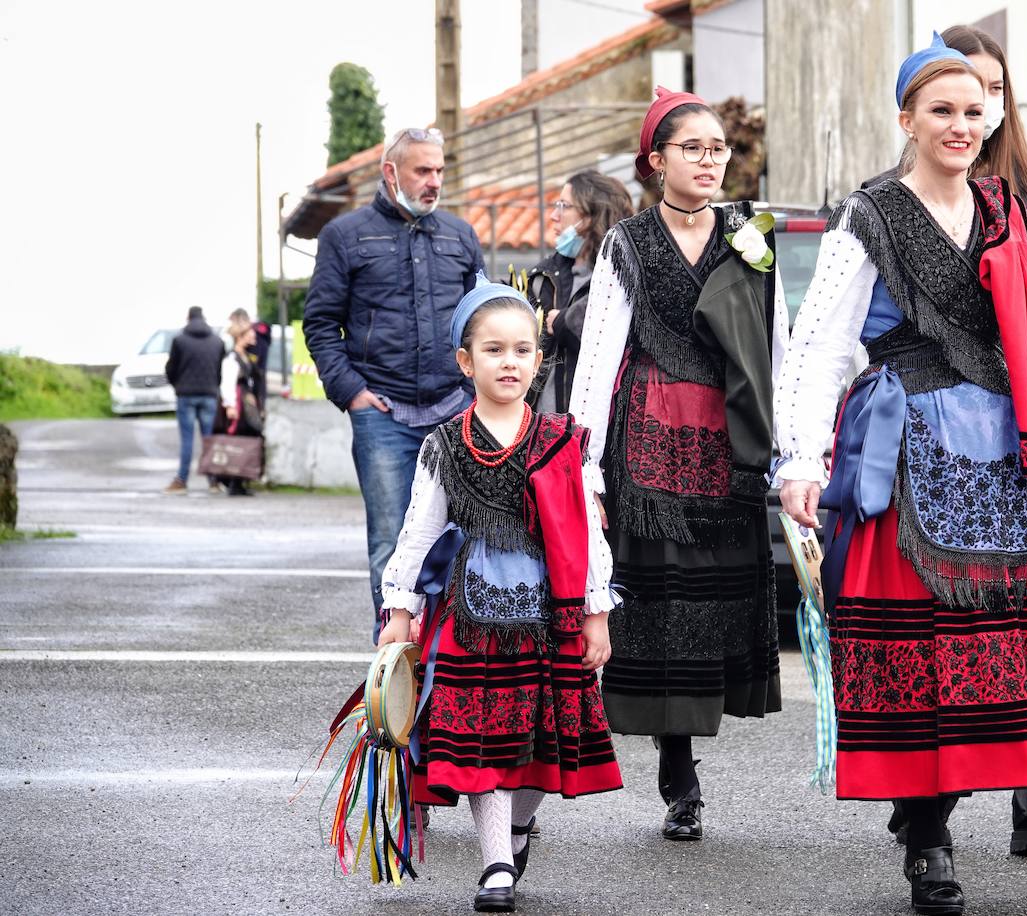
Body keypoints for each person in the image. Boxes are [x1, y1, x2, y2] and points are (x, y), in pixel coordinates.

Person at [775, 35, 1027, 914]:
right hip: (905, 451)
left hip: (1002, 455)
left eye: (974, 111)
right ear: (907, 120)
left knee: (990, 662)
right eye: (942, 112)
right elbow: (821, 345)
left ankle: (937, 804)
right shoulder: (872, 215)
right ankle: (927, 839)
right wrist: (802, 459)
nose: (961, 126)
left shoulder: (1006, 209)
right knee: (914, 659)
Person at [569, 87, 789, 841]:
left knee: (714, 603)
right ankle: (679, 771)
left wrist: (792, 452)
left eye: (717, 148)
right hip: (650, 454)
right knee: (662, 614)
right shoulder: (627, 244)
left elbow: (777, 347)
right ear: (656, 161)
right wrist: (585, 468)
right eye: (690, 148)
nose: (708, 160)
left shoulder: (749, 234)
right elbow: (597, 358)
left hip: (728, 450)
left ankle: (686, 757)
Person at [376, 277, 621, 913]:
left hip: (552, 614)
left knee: (547, 741)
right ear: (466, 362)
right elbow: (418, 531)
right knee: (487, 747)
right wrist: (401, 608)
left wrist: (597, 612)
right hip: (470, 619)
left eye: (521, 350)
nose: (508, 362)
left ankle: (514, 830)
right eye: (493, 350)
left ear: (539, 359)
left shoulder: (564, 442)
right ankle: (495, 865)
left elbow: (587, 536)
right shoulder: (444, 446)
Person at [304, 126, 485, 642]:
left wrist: (479, 395)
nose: (434, 181)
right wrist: (351, 394)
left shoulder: (460, 235)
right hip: (383, 417)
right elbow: (320, 322)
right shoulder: (345, 235)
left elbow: (481, 316)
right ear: (391, 173)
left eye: (440, 171)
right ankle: (393, 674)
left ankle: (454, 663)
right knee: (390, 542)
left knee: (466, 537)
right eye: (422, 170)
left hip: (456, 412)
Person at [525, 171, 634, 413]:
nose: (554, 216)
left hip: (597, 426)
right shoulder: (542, 276)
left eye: (564, 206)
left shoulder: (621, 279)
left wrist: (566, 321)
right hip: (542, 427)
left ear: (591, 216)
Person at [163, 306, 225, 494]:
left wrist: (178, 386)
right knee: (209, 441)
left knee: (187, 440)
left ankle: (181, 480)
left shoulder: (179, 340)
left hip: (186, 395)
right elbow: (219, 370)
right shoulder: (217, 341)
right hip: (209, 395)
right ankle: (213, 481)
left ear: (188, 318)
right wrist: (214, 387)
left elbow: (170, 369)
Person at [216, 316, 263, 497]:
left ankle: (241, 480)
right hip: (238, 402)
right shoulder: (232, 358)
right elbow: (227, 383)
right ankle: (233, 481)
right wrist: (230, 405)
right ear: (240, 336)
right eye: (250, 333)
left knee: (248, 437)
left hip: (247, 402)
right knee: (237, 439)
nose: (254, 336)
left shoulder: (245, 356)